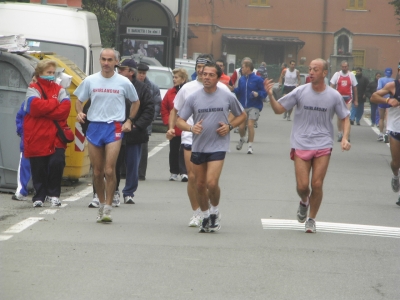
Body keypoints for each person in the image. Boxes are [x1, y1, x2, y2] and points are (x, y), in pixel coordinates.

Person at [264, 58, 351, 233]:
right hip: (301, 142)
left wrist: (345, 138)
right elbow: (278, 110)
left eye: (315, 69)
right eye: (310, 69)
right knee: (303, 186)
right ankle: (304, 201)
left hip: (323, 143)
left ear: (324, 73)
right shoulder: (300, 91)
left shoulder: (333, 96)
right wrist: (271, 95)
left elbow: (345, 117)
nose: (311, 72)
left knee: (317, 184)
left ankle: (311, 218)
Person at [176, 62, 247, 233]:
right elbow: (179, 120)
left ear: (218, 77)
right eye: (204, 74)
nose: (206, 77)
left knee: (212, 183)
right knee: (200, 185)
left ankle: (215, 212)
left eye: (210, 75)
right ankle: (205, 215)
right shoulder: (193, 97)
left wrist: (229, 126)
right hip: (198, 146)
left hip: (218, 145)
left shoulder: (226, 95)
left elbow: (242, 115)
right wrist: (191, 128)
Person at [74, 48, 140, 222]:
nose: (106, 63)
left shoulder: (123, 82)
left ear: (116, 62)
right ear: (100, 60)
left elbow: (136, 101)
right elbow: (79, 101)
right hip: (95, 126)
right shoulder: (91, 80)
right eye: (103, 59)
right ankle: (101, 204)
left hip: (114, 126)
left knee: (109, 170)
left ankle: (108, 208)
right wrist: (80, 113)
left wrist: (129, 121)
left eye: (110, 60)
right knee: (97, 171)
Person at [166, 54, 232, 227]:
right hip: (190, 136)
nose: (203, 72)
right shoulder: (187, 88)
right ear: (196, 70)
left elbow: (234, 110)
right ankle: (198, 212)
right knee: (193, 177)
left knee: (209, 182)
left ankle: (212, 210)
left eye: (206, 69)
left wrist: (228, 125)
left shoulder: (223, 90)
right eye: (199, 68)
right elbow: (175, 110)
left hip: (214, 139)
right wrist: (172, 128)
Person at [23, 59, 71, 208]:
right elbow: (34, 108)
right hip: (37, 135)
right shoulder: (33, 88)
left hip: (56, 135)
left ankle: (54, 194)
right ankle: (39, 196)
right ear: (40, 73)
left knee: (57, 163)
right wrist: (54, 103)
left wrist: (46, 109)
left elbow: (65, 110)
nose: (51, 75)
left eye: (52, 73)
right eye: (48, 73)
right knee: (39, 167)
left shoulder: (60, 89)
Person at [116, 59, 154, 204]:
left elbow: (149, 110)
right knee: (114, 163)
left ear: (131, 72)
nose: (119, 72)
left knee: (132, 164)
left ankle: (129, 192)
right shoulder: (115, 85)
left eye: (122, 69)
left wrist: (136, 125)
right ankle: (114, 191)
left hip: (134, 133)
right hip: (115, 131)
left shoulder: (143, 89)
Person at [371, 69, 400, 205]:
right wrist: (388, 100)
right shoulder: (393, 86)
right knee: (396, 163)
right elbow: (374, 97)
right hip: (396, 129)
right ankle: (395, 175)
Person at [230, 60, 266, 154]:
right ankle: (242, 138)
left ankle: (250, 146)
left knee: (250, 125)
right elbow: (240, 91)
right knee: (241, 128)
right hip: (243, 106)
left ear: (248, 68)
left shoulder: (258, 79)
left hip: (254, 106)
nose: (241, 69)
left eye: (243, 67)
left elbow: (264, 93)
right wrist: (233, 89)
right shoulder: (241, 79)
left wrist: (258, 94)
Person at [161, 68, 189, 182]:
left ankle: (184, 172)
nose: (174, 79)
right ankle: (174, 172)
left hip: (186, 127)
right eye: (173, 77)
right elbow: (164, 108)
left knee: (185, 150)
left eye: (176, 77)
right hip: (173, 128)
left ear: (183, 79)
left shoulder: (188, 91)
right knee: (173, 150)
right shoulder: (170, 92)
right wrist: (169, 122)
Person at [136, 63, 162, 181]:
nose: (141, 76)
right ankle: (125, 171)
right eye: (139, 73)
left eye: (143, 73)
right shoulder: (130, 84)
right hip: (131, 120)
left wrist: (150, 118)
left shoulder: (153, 87)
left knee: (143, 148)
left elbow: (156, 104)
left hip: (145, 123)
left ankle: (141, 174)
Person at [330, 60, 358, 142]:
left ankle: (347, 134)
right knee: (339, 117)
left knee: (346, 116)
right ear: (340, 67)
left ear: (348, 67)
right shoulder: (337, 74)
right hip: (338, 98)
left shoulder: (351, 75)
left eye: (345, 67)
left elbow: (355, 88)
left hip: (348, 98)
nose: (344, 68)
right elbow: (332, 85)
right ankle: (340, 133)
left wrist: (356, 100)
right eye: (343, 67)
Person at [12, 102, 31, 201]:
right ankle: (22, 191)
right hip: (30, 140)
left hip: (28, 139)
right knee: (25, 164)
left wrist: (21, 131)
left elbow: (19, 117)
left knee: (24, 165)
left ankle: (21, 191)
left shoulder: (28, 101)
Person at [376, 68, 394, 142]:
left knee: (381, 118)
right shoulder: (393, 81)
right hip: (390, 100)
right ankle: (387, 132)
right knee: (388, 117)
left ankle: (380, 134)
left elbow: (379, 88)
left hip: (382, 99)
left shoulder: (381, 80)